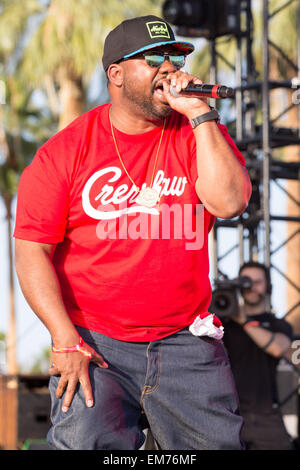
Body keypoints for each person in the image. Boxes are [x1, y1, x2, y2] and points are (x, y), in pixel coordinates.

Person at [13, 15, 252, 450]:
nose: (169, 68)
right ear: (117, 75)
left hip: (184, 338)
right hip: (94, 339)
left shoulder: (198, 133)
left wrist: (201, 113)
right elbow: (32, 251)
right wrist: (64, 339)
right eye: (153, 59)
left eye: (174, 57)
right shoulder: (66, 152)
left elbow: (230, 202)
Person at [222, 261, 294, 450]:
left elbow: (278, 348)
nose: (251, 287)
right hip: (230, 415)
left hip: (267, 416)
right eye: (246, 282)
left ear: (268, 286)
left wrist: (243, 320)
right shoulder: (226, 325)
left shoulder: (278, 324)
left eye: (257, 282)